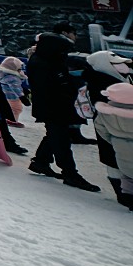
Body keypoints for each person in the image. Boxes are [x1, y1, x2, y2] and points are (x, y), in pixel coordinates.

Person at [26, 26, 99, 191]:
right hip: (53, 107)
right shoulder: (42, 63)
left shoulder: (49, 59)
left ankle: (41, 161)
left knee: (55, 135)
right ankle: (70, 173)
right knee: (61, 139)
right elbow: (51, 87)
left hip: (57, 106)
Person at [93, 83, 133, 210]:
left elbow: (100, 128)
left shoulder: (105, 112)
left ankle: (128, 198)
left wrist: (113, 139)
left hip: (119, 146)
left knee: (127, 174)